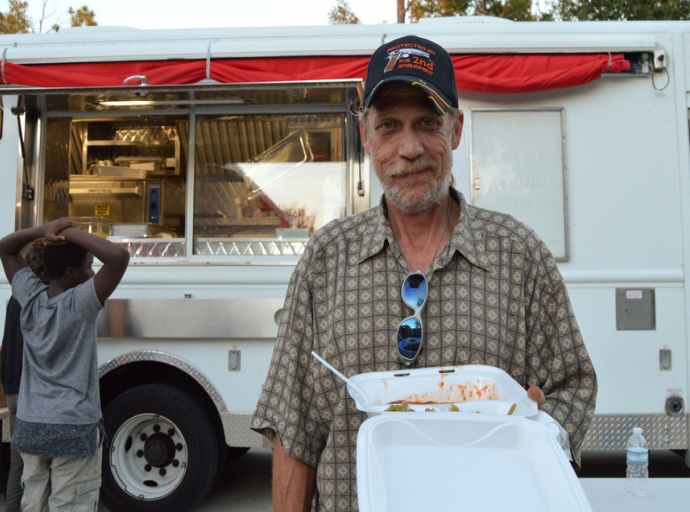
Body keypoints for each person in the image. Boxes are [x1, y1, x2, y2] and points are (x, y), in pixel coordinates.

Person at [251, 35, 597, 511]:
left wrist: (537, 427)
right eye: (389, 126)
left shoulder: (518, 254)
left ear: (455, 130)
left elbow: (572, 386)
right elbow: (295, 424)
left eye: (427, 123)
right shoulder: (326, 258)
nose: (409, 148)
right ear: (365, 135)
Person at [0, 219, 129, 511]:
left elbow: (5, 249)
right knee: (70, 504)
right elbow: (119, 257)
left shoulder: (29, 297)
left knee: (34, 502)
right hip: (73, 425)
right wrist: (68, 232)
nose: (92, 272)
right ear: (72, 274)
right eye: (88, 266)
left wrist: (44, 231)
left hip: (32, 425)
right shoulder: (79, 304)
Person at [0, 238, 47, 512]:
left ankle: (11, 508)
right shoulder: (44, 294)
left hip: (12, 385)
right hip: (30, 387)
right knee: (35, 465)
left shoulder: (15, 295)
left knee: (19, 462)